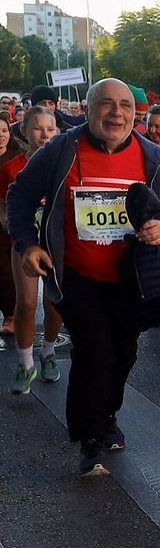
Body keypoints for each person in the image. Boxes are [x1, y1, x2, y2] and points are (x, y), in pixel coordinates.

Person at [7, 79, 160, 476]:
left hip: (131, 279)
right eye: (106, 104)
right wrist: (28, 244)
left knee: (123, 354)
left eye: (125, 105)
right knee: (95, 352)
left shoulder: (152, 157)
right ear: (88, 110)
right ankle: (88, 437)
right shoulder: (61, 151)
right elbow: (19, 195)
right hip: (78, 276)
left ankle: (107, 416)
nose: (117, 113)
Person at [6, 106, 65, 390]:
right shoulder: (11, 166)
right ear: (24, 131)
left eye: (50, 128)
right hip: (25, 241)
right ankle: (25, 362)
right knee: (27, 302)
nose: (45, 134)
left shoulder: (64, 162)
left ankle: (49, 352)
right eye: (38, 128)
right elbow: (6, 203)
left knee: (54, 303)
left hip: (56, 242)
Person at [0, 115, 23, 341]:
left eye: (4, 130)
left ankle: (10, 315)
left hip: (7, 223)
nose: (0, 135)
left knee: (6, 269)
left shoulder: (16, 160)